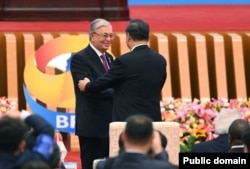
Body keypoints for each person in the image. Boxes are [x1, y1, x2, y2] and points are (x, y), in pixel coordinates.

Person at [78, 19, 167, 122]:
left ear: (128, 36)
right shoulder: (160, 60)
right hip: (153, 119)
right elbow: (160, 84)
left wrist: (87, 86)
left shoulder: (124, 61)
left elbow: (105, 82)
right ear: (148, 36)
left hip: (129, 121)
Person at [70, 18, 114, 169]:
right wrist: (117, 92)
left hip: (111, 125)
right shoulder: (80, 59)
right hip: (92, 126)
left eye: (111, 36)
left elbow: (97, 85)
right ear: (92, 35)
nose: (108, 39)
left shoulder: (109, 58)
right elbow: (89, 90)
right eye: (104, 35)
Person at [96, 115, 175, 169]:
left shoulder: (104, 166)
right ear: (152, 139)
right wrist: (159, 152)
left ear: (123, 136)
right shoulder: (161, 166)